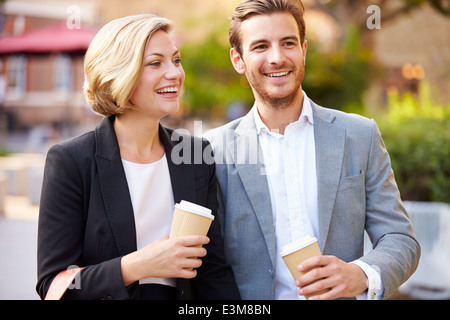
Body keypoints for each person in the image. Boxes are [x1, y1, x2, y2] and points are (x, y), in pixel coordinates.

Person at [205, 0, 420, 300]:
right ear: (238, 60)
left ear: (304, 49)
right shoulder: (212, 151)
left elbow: (400, 239)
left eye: (288, 43)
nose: (277, 58)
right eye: (260, 47)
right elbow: (206, 264)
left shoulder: (359, 135)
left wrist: (359, 274)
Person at [36, 14, 240, 300]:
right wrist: (139, 265)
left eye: (176, 60)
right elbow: (54, 285)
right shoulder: (71, 161)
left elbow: (213, 272)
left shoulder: (195, 155)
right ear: (120, 74)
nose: (175, 73)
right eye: (156, 63)